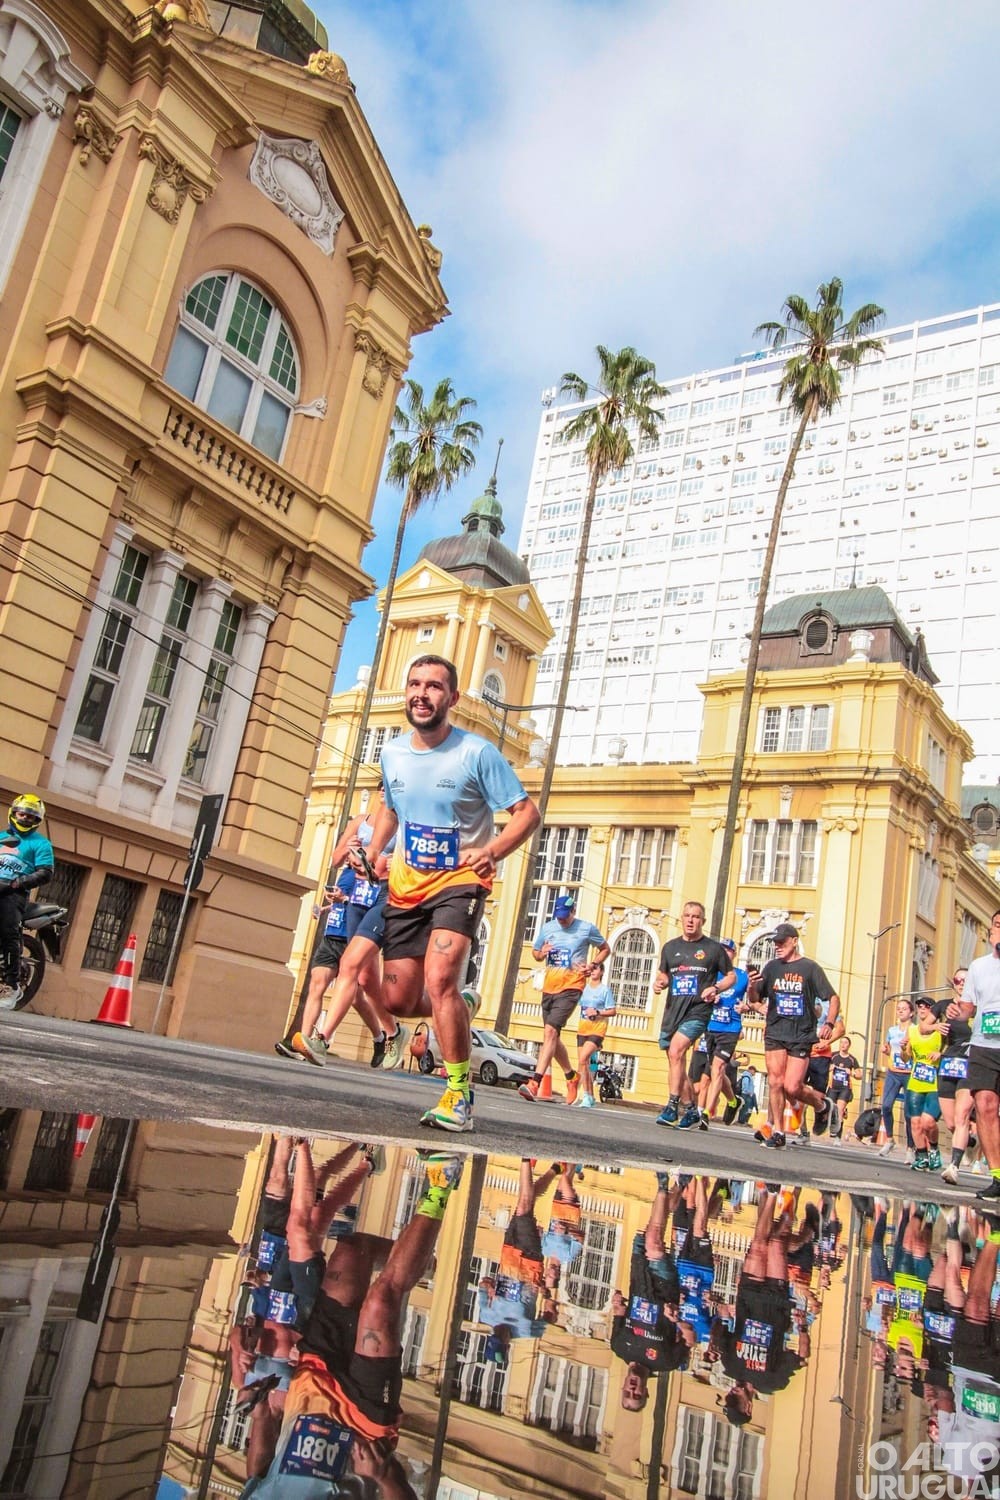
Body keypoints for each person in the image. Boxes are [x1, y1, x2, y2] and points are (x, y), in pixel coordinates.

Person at [364, 656, 540, 1134]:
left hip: (459, 881)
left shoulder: (477, 754)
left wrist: (493, 850)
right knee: (397, 1000)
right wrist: (376, 848)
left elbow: (527, 812)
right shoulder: (393, 753)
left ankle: (458, 1092)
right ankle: (459, 1005)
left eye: (435, 687)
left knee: (440, 979)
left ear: (453, 699)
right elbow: (389, 808)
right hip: (405, 885)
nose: (422, 693)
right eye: (414, 684)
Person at [241, 1147, 461, 1498]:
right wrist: (385, 1475)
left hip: (310, 1389)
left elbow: (257, 1471)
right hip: (363, 1427)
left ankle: (418, 1259)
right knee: (380, 1302)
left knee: (352, 1249)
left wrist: (259, 1413)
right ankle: (442, 1182)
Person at [744, 923, 839, 1150]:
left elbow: (833, 998)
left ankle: (823, 1106)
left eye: (782, 942)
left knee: (792, 1087)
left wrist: (829, 1023)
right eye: (775, 943)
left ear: (794, 941)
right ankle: (778, 1131)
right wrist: (752, 985)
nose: (778, 947)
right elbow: (755, 999)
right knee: (775, 1082)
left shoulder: (810, 968)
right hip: (776, 1030)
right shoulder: (771, 968)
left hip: (801, 1034)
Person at [520, 896, 609, 1105]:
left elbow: (605, 948)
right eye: (559, 917)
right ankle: (571, 1076)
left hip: (572, 986)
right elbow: (535, 952)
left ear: (573, 911)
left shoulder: (586, 929)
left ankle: (535, 1082)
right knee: (552, 1035)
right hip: (549, 987)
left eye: (565, 917)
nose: (562, 921)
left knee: (550, 1032)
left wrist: (593, 964)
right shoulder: (549, 927)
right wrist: (541, 953)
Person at [653, 901, 734, 1130]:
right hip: (673, 1011)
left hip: (698, 1011)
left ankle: (671, 1107)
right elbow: (664, 974)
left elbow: (730, 977)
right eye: (687, 916)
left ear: (703, 921)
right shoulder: (670, 947)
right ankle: (690, 1110)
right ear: (681, 919)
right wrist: (660, 983)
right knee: (675, 1059)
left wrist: (716, 988)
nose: (691, 920)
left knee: (676, 1050)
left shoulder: (713, 949)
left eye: (696, 917)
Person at [610, 1173, 687, 1409]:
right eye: (637, 1395)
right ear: (646, 1393)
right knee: (654, 1239)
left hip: (639, 1281)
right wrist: (677, 1319)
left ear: (623, 1387)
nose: (633, 1390)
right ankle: (663, 1184)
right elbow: (690, 1338)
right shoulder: (667, 1362)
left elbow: (620, 1313)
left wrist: (617, 1303)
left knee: (650, 1231)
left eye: (628, 1393)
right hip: (663, 1288)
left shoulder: (619, 1346)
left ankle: (680, 1185)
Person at [0, 794, 54, 1007]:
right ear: (13, 813)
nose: (25, 819)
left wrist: (16, 883)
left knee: (7, 932)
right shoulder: (2, 837)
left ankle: (11, 987)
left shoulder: (41, 844)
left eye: (31, 817)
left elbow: (45, 873)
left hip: (13, 894)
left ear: (37, 821)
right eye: (22, 814)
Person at [961, 910, 1000, 1201]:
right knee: (985, 1105)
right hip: (984, 1044)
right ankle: (997, 1177)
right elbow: (968, 1008)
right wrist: (957, 1013)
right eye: (997, 925)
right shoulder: (978, 966)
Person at [702, 937, 749, 1127]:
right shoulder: (710, 975)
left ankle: (706, 1113)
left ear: (733, 954)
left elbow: (756, 1000)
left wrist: (747, 1006)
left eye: (727, 951)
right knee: (717, 1073)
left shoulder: (741, 976)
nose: (724, 954)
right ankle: (733, 1101)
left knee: (718, 1068)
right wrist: (707, 999)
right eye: (720, 950)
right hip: (711, 1026)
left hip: (730, 1028)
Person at [937, 967, 977, 1184]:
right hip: (948, 1065)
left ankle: (953, 1167)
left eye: (966, 980)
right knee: (952, 1122)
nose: (962, 983)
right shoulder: (946, 1007)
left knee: (962, 1117)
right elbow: (923, 1027)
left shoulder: (981, 1007)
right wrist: (936, 1025)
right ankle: (969, 1142)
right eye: (958, 979)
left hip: (971, 1066)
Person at [903, 996, 944, 1171]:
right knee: (915, 1122)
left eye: (926, 1007)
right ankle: (921, 1156)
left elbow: (953, 1049)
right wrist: (902, 1048)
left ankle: (934, 1149)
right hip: (916, 1082)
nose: (922, 1009)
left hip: (935, 1083)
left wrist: (940, 1054)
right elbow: (906, 1058)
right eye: (919, 1006)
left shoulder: (941, 1030)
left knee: (928, 1122)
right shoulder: (912, 1031)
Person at [573, 962, 617, 1108]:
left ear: (602, 972)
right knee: (582, 1063)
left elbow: (612, 1011)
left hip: (597, 1030)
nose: (592, 972)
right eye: (591, 969)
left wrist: (598, 1012)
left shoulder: (605, 990)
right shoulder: (584, 988)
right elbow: (575, 1001)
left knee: (584, 1058)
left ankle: (586, 1096)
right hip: (582, 1029)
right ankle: (589, 1096)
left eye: (595, 969)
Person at [877, 998, 916, 1161]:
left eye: (904, 1009)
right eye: (898, 1008)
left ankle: (910, 1147)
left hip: (909, 1073)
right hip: (893, 1072)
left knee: (909, 1113)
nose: (900, 1011)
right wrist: (885, 1049)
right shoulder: (892, 1030)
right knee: (886, 1106)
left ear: (911, 1013)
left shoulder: (915, 1030)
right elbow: (887, 1048)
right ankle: (890, 1139)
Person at [826, 1036, 861, 1140]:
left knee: (839, 1110)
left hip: (845, 1088)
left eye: (845, 1043)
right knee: (831, 1109)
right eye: (841, 1042)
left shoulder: (852, 1059)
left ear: (849, 1045)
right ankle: (833, 1126)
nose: (843, 1045)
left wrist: (852, 1073)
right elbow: (823, 1067)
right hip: (833, 1087)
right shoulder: (833, 1056)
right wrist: (830, 1068)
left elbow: (860, 1075)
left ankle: (837, 1136)